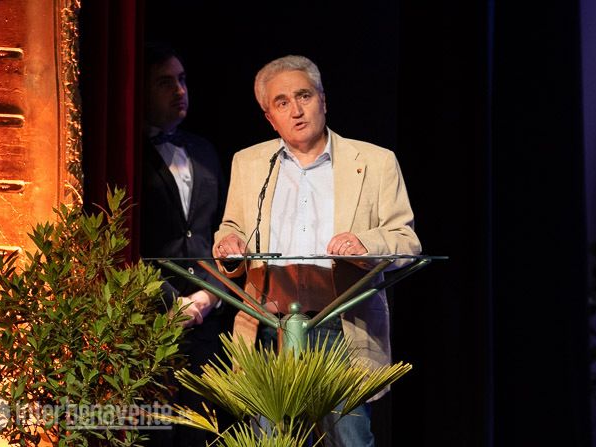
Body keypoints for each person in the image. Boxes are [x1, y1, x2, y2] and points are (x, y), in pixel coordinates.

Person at [213, 54, 421, 447]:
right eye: (282, 103)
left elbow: (406, 240)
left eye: (304, 96)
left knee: (349, 440)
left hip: (342, 324)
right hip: (270, 326)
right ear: (269, 117)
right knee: (273, 441)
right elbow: (232, 228)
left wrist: (366, 244)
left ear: (323, 99)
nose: (296, 110)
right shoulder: (249, 163)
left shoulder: (375, 162)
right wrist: (229, 244)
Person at [139, 41, 234, 446]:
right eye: (165, 83)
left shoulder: (204, 150)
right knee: (155, 433)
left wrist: (208, 297)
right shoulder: (123, 151)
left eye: (181, 80)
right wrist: (169, 302)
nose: (179, 91)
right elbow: (122, 242)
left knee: (204, 432)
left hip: (207, 319)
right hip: (149, 320)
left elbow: (223, 230)